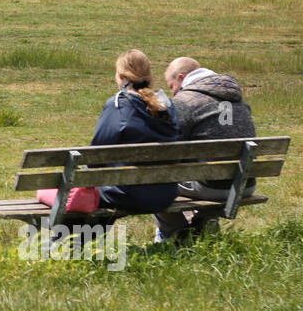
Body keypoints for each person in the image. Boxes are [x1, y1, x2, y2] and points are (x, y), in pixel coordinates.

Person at [160, 57, 258, 239]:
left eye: (171, 86)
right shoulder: (239, 101)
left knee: (152, 179)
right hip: (245, 184)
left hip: (210, 186)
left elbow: (166, 147)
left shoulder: (185, 101)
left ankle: (176, 234)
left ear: (181, 77)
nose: (172, 93)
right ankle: (205, 223)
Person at [91, 49, 182, 220]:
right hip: (166, 193)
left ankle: (65, 243)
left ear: (120, 76)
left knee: (80, 191)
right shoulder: (167, 105)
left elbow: (96, 154)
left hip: (127, 194)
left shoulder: (119, 105)